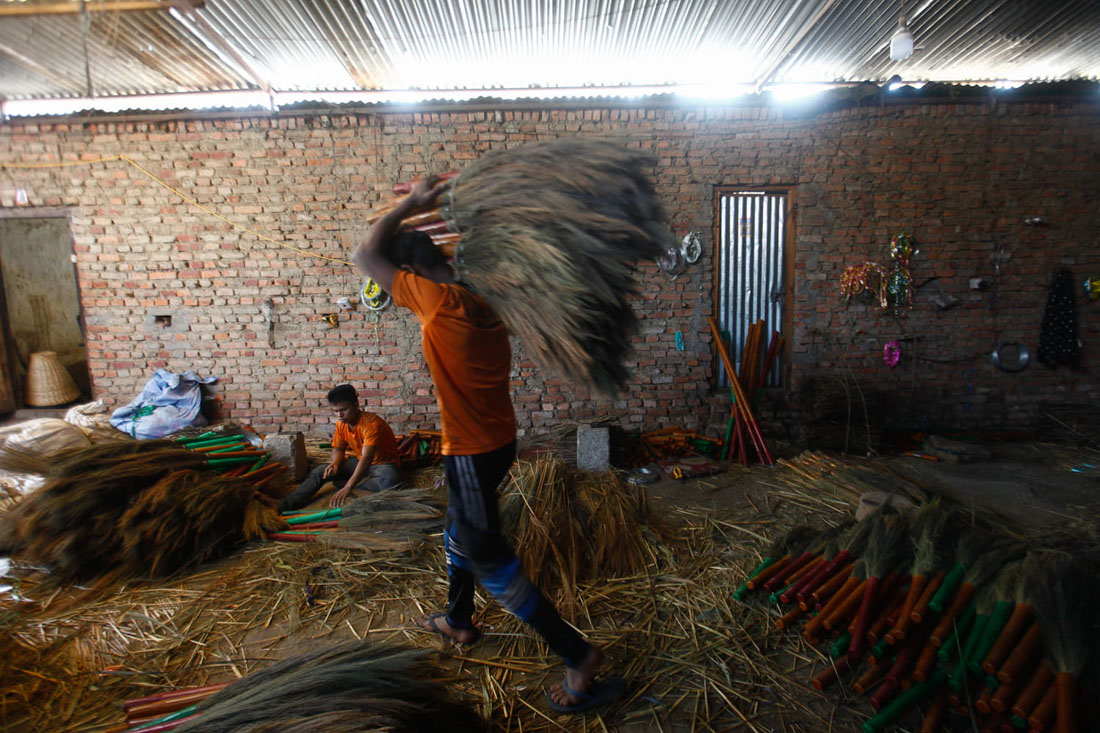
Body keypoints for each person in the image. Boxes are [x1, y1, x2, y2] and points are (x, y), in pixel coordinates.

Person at [352, 177, 625, 714]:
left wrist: (411, 204)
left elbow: (365, 253)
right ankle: (458, 619)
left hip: (473, 452)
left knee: (488, 556)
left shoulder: (436, 302)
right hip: (496, 441)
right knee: (458, 527)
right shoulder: (482, 294)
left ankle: (577, 655)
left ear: (408, 274)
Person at [278, 384, 402, 511]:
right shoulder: (341, 424)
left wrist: (348, 487)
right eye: (336, 411)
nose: (339, 415)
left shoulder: (371, 425)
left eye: (343, 410)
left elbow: (367, 458)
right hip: (360, 462)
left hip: (383, 465)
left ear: (356, 405)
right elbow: (338, 448)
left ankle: (352, 482)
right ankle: (285, 504)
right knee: (321, 471)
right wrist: (336, 464)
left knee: (391, 481)